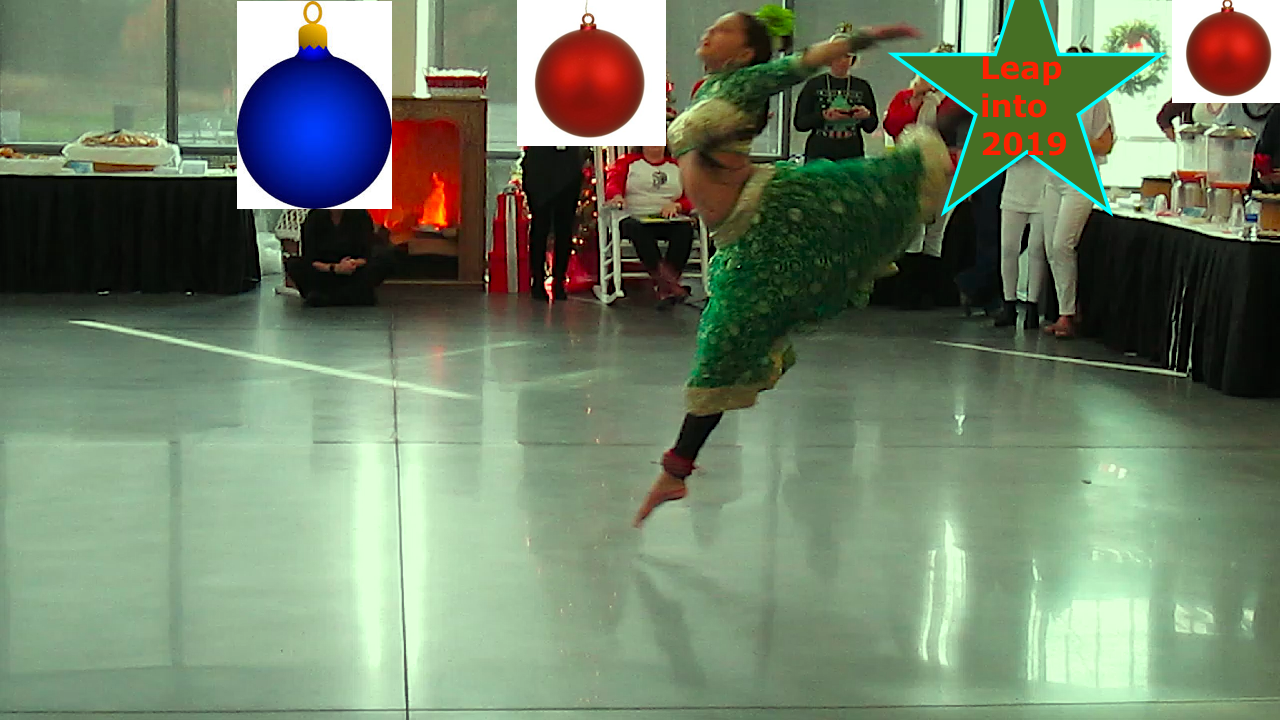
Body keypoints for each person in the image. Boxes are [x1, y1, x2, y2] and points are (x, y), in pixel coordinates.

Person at [633, 8, 955, 527]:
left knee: (884, 186)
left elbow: (805, 62)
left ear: (744, 53)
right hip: (738, 236)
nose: (709, 32)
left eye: (723, 29)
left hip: (772, 213)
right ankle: (676, 471)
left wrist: (866, 36)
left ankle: (978, 106)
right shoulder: (708, 90)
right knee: (726, 343)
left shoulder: (746, 82)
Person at [882, 43, 969, 310]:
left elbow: (962, 135)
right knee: (914, 229)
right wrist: (916, 99)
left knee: (937, 232)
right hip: (914, 170)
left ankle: (934, 289)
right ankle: (907, 291)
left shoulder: (959, 100)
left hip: (947, 171)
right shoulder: (905, 96)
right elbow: (893, 126)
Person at [1039, 45, 1114, 339]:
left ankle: (1067, 315)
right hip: (1052, 178)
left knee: (1062, 244)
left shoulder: (1097, 100)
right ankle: (1067, 308)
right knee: (1050, 246)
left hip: (1080, 180)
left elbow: (1105, 144)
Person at [605, 145, 696, 306]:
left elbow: (691, 196)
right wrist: (617, 196)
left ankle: (665, 286)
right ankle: (668, 283)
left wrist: (678, 206)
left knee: (684, 229)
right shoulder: (627, 162)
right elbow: (613, 184)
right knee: (636, 228)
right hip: (633, 216)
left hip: (667, 218)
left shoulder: (677, 165)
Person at [793, 25, 878, 163]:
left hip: (852, 151)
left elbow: (871, 126)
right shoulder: (814, 85)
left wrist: (865, 116)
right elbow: (800, 123)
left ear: (853, 59)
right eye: (837, 56)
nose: (842, 61)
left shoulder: (862, 86)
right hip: (819, 151)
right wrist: (823, 116)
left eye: (847, 56)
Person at [285, 208, 392, 307]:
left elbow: (367, 254)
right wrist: (335, 268)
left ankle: (329, 297)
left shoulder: (360, 215)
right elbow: (310, 258)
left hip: (353, 271)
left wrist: (350, 264)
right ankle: (348, 296)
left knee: (384, 258)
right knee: (294, 264)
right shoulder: (314, 216)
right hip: (325, 273)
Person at [521, 146, 588, 301]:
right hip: (541, 168)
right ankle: (539, 280)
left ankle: (558, 281)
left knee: (563, 229)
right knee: (541, 227)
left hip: (566, 168)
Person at [994, 156, 1048, 328]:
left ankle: (1033, 305)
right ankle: (1009, 303)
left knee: (1036, 249)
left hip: (1044, 190)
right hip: (1013, 189)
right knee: (1008, 248)